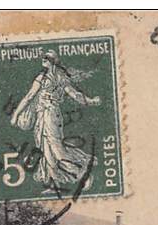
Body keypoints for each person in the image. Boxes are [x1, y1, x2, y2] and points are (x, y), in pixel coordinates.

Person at [9, 49, 101, 188]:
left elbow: (29, 97)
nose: (43, 61)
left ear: (52, 62)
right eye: (43, 58)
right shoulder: (58, 77)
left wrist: (16, 115)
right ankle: (54, 182)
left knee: (56, 150)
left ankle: (82, 173)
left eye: (46, 59)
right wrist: (91, 100)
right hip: (46, 116)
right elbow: (75, 95)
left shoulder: (46, 78)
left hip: (49, 116)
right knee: (47, 153)